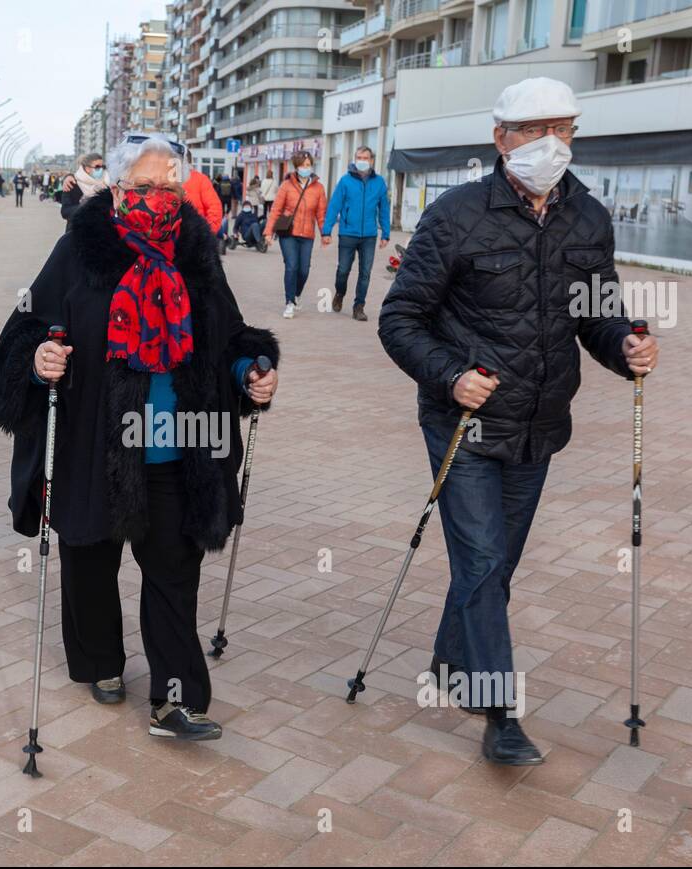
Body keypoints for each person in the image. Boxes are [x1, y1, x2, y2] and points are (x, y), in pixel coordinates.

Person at [377, 76, 660, 766]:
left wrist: (626, 347)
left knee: (496, 567)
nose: (550, 144)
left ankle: (452, 661)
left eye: (563, 129)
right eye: (534, 131)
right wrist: (451, 375)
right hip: (464, 423)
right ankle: (500, 712)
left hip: (538, 425)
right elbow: (399, 318)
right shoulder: (456, 215)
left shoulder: (588, 218)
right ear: (500, 139)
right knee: (479, 561)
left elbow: (596, 312)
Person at [0, 131, 281, 742]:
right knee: (90, 558)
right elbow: (24, 331)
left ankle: (177, 700)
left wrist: (248, 371)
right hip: (95, 441)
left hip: (180, 443)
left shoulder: (196, 250)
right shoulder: (80, 249)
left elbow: (228, 334)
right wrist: (39, 358)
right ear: (118, 190)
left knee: (174, 571)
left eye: (169, 188)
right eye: (144, 188)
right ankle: (100, 661)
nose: (158, 198)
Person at [322, 146, 391, 323]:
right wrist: (326, 230)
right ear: (355, 159)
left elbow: (384, 209)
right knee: (343, 270)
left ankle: (358, 307)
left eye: (365, 158)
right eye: (359, 157)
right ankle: (340, 292)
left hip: (369, 235)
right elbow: (334, 206)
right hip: (347, 233)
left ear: (372, 160)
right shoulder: (345, 181)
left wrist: (386, 233)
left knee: (365, 273)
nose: (362, 161)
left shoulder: (379, 182)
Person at [263, 151, 328, 319]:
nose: (305, 168)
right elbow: (276, 209)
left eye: (308, 165)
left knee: (304, 270)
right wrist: (268, 232)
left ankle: (297, 294)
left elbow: (322, 214)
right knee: (291, 266)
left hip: (307, 234)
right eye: (302, 165)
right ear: (296, 166)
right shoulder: (286, 186)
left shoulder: (318, 188)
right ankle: (289, 302)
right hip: (289, 233)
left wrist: (325, 233)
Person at [60, 153, 108, 229]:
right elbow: (65, 212)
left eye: (103, 166)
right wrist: (88, 206)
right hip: (77, 231)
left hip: (101, 231)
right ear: (87, 168)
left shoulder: (107, 183)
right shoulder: (72, 183)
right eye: (98, 167)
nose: (101, 169)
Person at [183, 166, 223, 235]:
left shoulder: (200, 180)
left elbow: (215, 206)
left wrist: (206, 233)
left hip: (195, 236)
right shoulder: (163, 180)